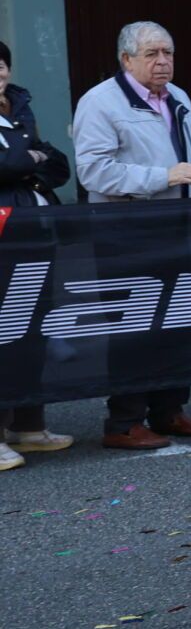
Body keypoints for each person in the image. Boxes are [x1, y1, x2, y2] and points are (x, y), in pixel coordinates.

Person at [71, 21, 191, 450]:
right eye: (152, 54)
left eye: (168, 52)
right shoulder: (99, 102)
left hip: (177, 227)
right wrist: (161, 177)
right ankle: (124, 421)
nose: (163, 62)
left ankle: (169, 409)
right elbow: (93, 171)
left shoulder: (180, 97)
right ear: (126, 59)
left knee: (176, 323)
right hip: (125, 231)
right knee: (133, 326)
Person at [0, 40, 75, 469]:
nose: (0, 73)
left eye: (3, 64)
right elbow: (11, 163)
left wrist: (25, 158)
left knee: (33, 329)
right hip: (4, 238)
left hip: (35, 233)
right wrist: (23, 158)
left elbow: (58, 163)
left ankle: (28, 425)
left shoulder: (20, 106)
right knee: (4, 334)